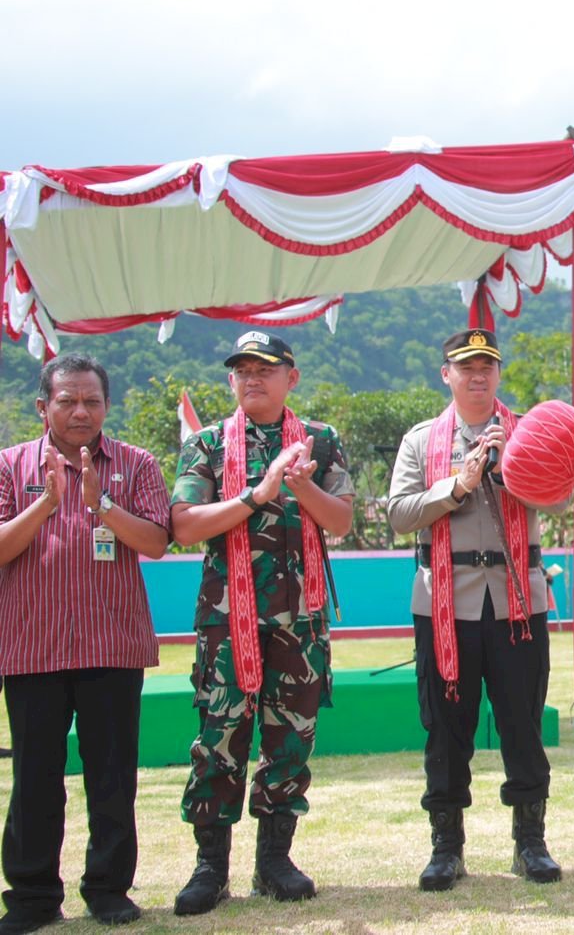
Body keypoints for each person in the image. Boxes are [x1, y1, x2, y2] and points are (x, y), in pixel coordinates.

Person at [170, 331, 354, 915]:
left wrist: (300, 484)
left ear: (290, 377)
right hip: (228, 623)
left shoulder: (321, 443)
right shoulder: (205, 444)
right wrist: (258, 493)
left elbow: (343, 521)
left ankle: (274, 861)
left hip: (299, 623)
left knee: (290, 742)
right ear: (231, 380)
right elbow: (185, 524)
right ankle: (211, 868)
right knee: (219, 741)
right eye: (242, 370)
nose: (252, 378)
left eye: (265, 368)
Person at [0, 354, 170, 933]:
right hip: (32, 644)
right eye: (67, 400)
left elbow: (154, 542)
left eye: (91, 401)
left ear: (106, 405)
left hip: (112, 643)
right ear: (42, 406)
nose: (80, 411)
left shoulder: (136, 464)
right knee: (35, 776)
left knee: (112, 774)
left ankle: (108, 889)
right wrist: (46, 503)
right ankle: (31, 896)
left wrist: (101, 502)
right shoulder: (9, 465)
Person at [387, 328, 561, 891]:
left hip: (517, 598)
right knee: (445, 725)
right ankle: (446, 846)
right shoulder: (421, 441)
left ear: (499, 373)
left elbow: (558, 495)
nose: (478, 375)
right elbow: (399, 513)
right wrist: (457, 486)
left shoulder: (528, 434)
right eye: (466, 366)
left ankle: (530, 842)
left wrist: (511, 469)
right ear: (447, 374)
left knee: (522, 721)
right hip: (444, 599)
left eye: (487, 365)